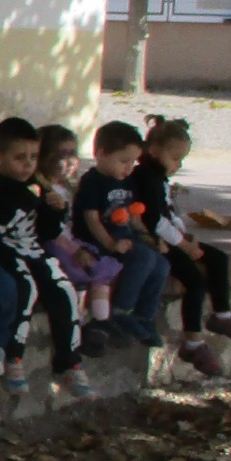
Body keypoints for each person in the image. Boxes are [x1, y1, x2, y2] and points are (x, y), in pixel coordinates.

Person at [0, 117, 91, 398]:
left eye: (33, 157)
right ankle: (13, 357)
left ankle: (69, 361)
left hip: (32, 250)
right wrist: (28, 200)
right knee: (26, 287)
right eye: (19, 158)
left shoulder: (37, 185)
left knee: (64, 288)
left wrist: (54, 210)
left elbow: (46, 231)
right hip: (1, 251)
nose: (27, 165)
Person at [136, 115, 231, 378]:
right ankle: (193, 342)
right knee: (195, 282)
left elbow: (169, 212)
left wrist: (184, 234)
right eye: (175, 158)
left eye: (181, 160)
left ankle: (222, 314)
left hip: (173, 238)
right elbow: (154, 221)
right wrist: (183, 245)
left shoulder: (159, 178)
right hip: (158, 243)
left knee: (218, 259)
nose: (178, 165)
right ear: (154, 150)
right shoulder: (146, 178)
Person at [75, 122, 168, 350]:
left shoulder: (127, 181)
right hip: (100, 240)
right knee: (144, 258)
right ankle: (121, 310)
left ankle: (144, 315)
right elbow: (92, 219)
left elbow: (133, 215)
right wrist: (111, 244)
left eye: (133, 162)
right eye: (124, 161)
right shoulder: (92, 181)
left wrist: (148, 237)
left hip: (125, 235)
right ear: (101, 154)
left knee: (162, 264)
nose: (129, 168)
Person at [37, 125, 121, 354]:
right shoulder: (44, 191)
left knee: (100, 272)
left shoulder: (69, 189)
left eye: (73, 153)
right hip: (57, 245)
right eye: (61, 155)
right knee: (80, 275)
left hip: (73, 242)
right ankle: (78, 325)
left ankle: (100, 324)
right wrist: (75, 250)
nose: (70, 161)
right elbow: (52, 230)